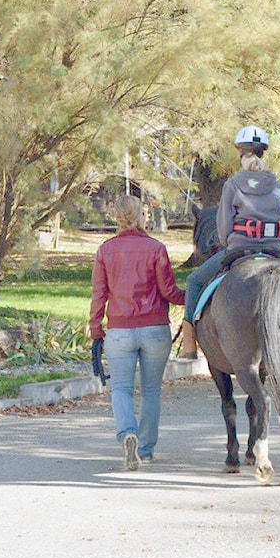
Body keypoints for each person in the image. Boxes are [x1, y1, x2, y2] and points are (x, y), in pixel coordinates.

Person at [89, 194, 185, 470]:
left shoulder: (105, 251)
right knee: (152, 390)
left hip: (119, 331)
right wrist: (189, 297)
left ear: (117, 218)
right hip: (155, 328)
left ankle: (127, 434)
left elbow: (99, 294)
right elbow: (168, 291)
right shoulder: (156, 248)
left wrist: (96, 329)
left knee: (121, 388)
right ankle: (145, 449)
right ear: (140, 216)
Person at [180, 125, 280, 358]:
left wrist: (226, 241)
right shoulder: (276, 184)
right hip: (272, 251)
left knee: (194, 280)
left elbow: (223, 228)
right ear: (263, 153)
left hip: (240, 250)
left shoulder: (232, 185)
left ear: (240, 154)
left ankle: (189, 343)